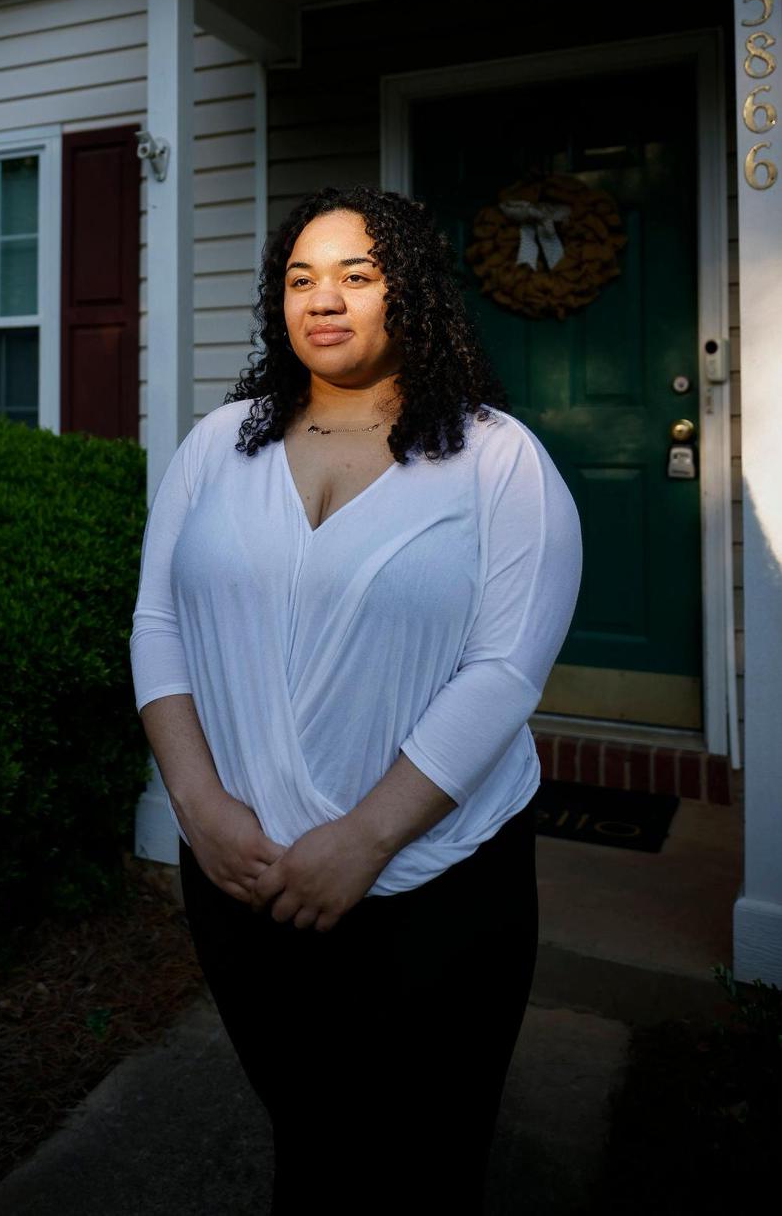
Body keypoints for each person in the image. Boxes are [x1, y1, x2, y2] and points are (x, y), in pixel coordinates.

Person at [129, 184, 583, 1213]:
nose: (321, 298)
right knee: (315, 1148)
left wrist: (367, 837)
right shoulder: (219, 445)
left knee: (424, 1165)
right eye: (299, 277)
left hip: (435, 888)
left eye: (355, 274)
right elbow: (158, 628)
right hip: (243, 885)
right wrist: (200, 809)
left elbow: (504, 671)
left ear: (408, 293)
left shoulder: (496, 459)